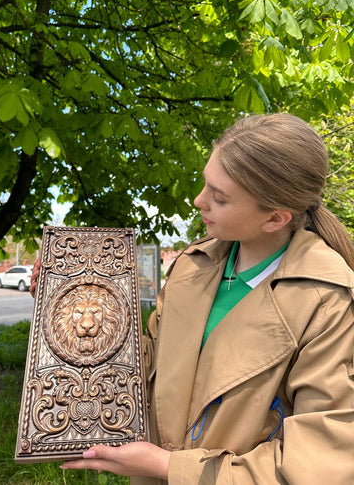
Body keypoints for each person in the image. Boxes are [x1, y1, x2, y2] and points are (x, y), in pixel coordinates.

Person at [31, 113, 354, 484]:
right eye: (205, 185)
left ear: (275, 219)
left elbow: (318, 467)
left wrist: (168, 468)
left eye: (219, 198)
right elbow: (142, 366)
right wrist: (68, 299)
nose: (198, 200)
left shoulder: (327, 303)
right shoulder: (192, 265)